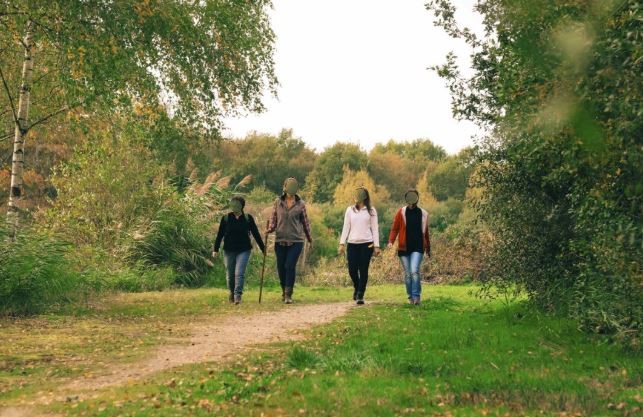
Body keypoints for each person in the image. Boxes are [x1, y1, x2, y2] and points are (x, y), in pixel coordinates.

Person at [267, 177, 313, 304]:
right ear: (285, 187)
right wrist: (270, 229)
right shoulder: (277, 202)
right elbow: (274, 220)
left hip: (296, 240)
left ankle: (288, 294)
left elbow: (305, 222)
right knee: (281, 267)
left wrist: (309, 238)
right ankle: (284, 290)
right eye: (290, 185)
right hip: (280, 240)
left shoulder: (301, 204)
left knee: (289, 265)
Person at [213, 196, 266, 305]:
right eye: (232, 204)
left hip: (244, 249)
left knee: (239, 273)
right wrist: (215, 249)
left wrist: (263, 248)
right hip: (229, 250)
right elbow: (220, 234)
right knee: (230, 275)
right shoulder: (226, 218)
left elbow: (256, 234)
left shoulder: (248, 218)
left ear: (241, 206)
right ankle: (232, 292)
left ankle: (238, 296)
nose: (234, 206)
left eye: (236, 204)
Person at [387, 189, 431, 305]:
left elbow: (426, 232)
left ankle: (416, 297)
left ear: (417, 198)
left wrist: (428, 248)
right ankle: (410, 296)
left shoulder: (424, 214)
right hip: (404, 248)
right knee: (407, 274)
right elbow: (394, 228)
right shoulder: (401, 212)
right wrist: (391, 241)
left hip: (418, 247)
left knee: (414, 271)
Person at [339, 187, 381, 305]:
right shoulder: (350, 210)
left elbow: (375, 229)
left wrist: (376, 246)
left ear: (365, 196)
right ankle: (357, 287)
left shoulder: (371, 211)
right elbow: (346, 227)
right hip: (352, 244)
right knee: (352, 270)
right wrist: (342, 243)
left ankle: (360, 294)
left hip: (367, 244)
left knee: (363, 269)